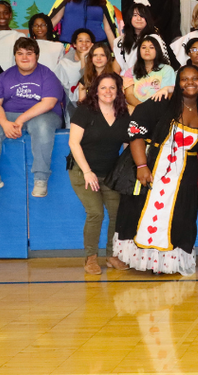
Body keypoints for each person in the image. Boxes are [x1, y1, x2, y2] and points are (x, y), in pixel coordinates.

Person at [116, 65, 198, 276]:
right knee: (144, 214)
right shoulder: (160, 104)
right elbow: (135, 132)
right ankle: (147, 262)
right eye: (184, 79)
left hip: (184, 175)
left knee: (180, 218)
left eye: (195, 78)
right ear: (176, 83)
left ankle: (168, 263)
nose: (190, 82)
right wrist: (142, 166)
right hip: (153, 169)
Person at [0, 37, 64, 199]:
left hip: (43, 114)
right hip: (10, 114)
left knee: (42, 125)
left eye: (29, 54)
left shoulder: (47, 75)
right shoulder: (4, 77)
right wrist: (4, 123)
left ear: (37, 56)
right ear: (14, 56)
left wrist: (21, 119)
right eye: (20, 53)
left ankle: (40, 178)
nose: (24, 57)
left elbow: (49, 103)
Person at [67, 72, 130, 275]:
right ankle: (91, 258)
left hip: (110, 173)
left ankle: (112, 255)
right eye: (103, 87)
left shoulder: (123, 113)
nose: (108, 92)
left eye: (112, 87)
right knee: (96, 213)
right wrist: (87, 172)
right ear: (96, 90)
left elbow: (128, 143)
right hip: (83, 171)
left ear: (118, 91)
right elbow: (73, 142)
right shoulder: (85, 111)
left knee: (117, 214)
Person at [115, 4, 169, 74]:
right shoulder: (122, 40)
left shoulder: (154, 38)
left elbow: (161, 63)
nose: (139, 18)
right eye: (135, 15)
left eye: (142, 16)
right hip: (126, 79)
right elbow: (116, 65)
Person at [122, 37, 176, 107]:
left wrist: (150, 111)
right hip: (138, 109)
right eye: (144, 47)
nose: (147, 50)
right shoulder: (130, 72)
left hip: (160, 109)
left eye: (151, 47)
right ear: (139, 51)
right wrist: (143, 109)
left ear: (157, 50)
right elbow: (129, 95)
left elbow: (165, 95)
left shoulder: (167, 69)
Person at [55, 28, 95, 109]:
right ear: (74, 44)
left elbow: (87, 81)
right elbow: (60, 86)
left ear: (92, 44)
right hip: (71, 101)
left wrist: (83, 57)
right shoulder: (65, 63)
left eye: (87, 41)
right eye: (80, 41)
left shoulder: (96, 59)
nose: (84, 43)